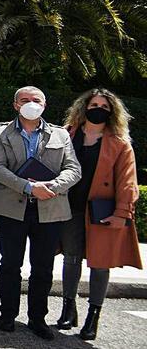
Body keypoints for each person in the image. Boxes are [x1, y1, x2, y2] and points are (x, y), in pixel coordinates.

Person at [0, 86, 81, 340]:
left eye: (36, 100)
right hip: (12, 209)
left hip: (49, 209)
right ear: (16, 105)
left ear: (44, 105)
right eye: (24, 100)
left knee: (43, 267)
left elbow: (73, 169)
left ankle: (38, 319)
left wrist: (50, 188)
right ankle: (7, 315)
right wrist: (28, 187)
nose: (30, 103)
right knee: (10, 264)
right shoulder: (0, 132)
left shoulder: (60, 134)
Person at [56, 88, 140, 340]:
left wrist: (122, 212)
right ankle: (68, 308)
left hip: (101, 210)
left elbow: (128, 182)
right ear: (84, 106)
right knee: (71, 259)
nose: (98, 109)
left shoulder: (119, 143)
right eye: (94, 104)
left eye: (105, 106)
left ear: (112, 112)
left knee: (100, 265)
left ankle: (93, 316)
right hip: (70, 207)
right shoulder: (67, 134)